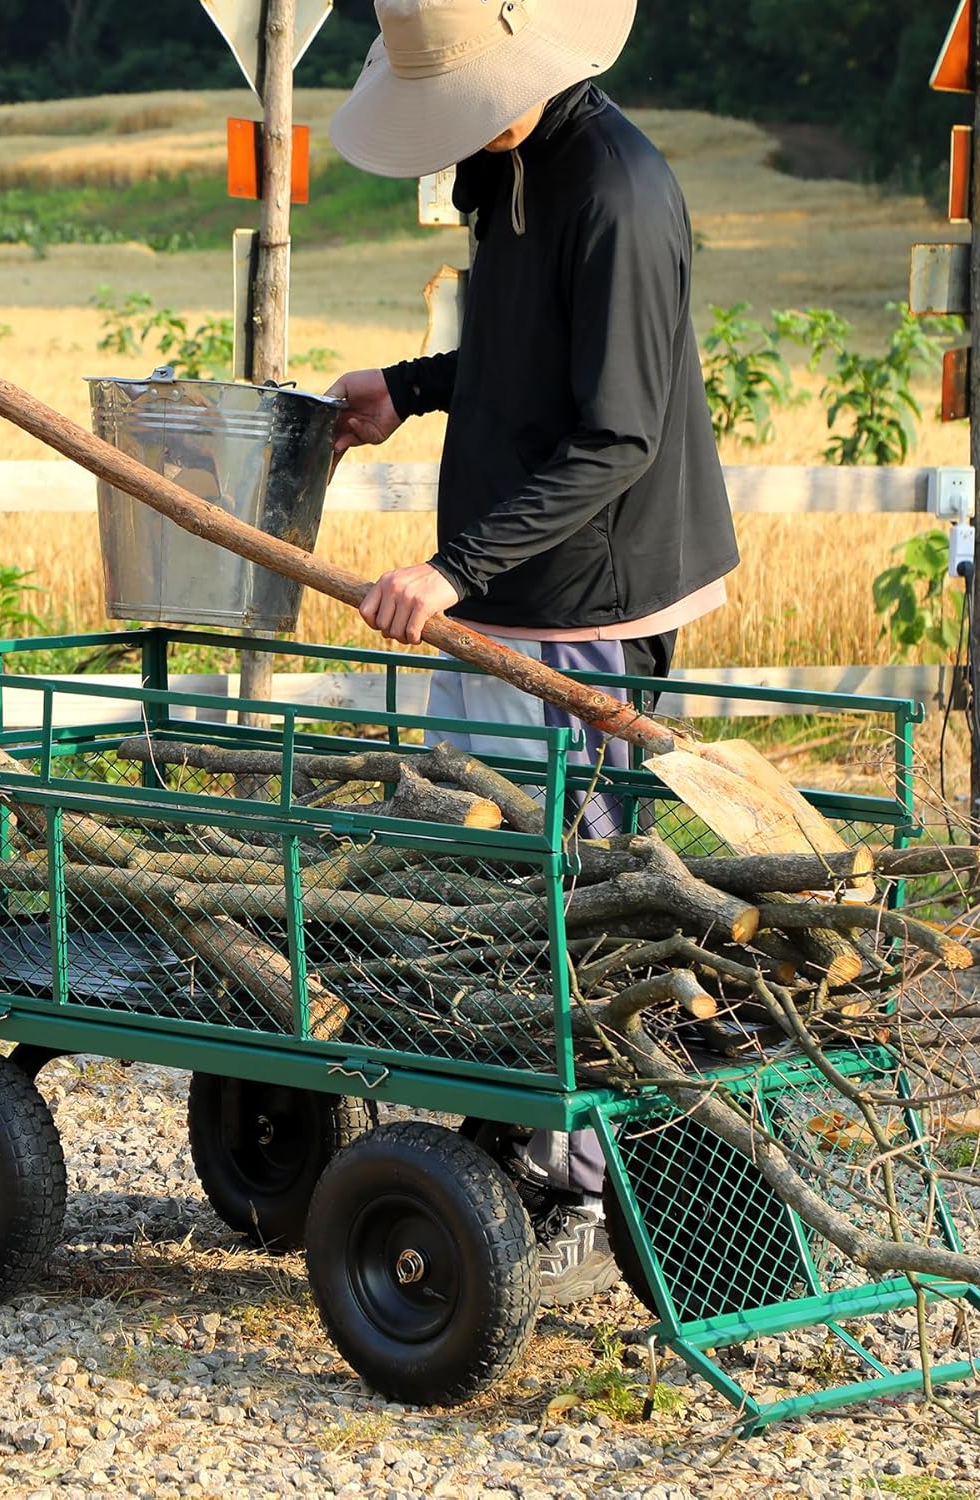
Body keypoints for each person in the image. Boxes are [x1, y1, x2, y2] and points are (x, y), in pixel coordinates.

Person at [326, 0, 739, 1305]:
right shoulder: (506, 167)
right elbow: (517, 361)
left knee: (565, 892)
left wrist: (450, 571)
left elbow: (617, 433)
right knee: (488, 873)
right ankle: (506, 1129)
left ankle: (561, 1186)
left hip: (586, 601)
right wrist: (410, 385)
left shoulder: (617, 191)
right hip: (504, 593)